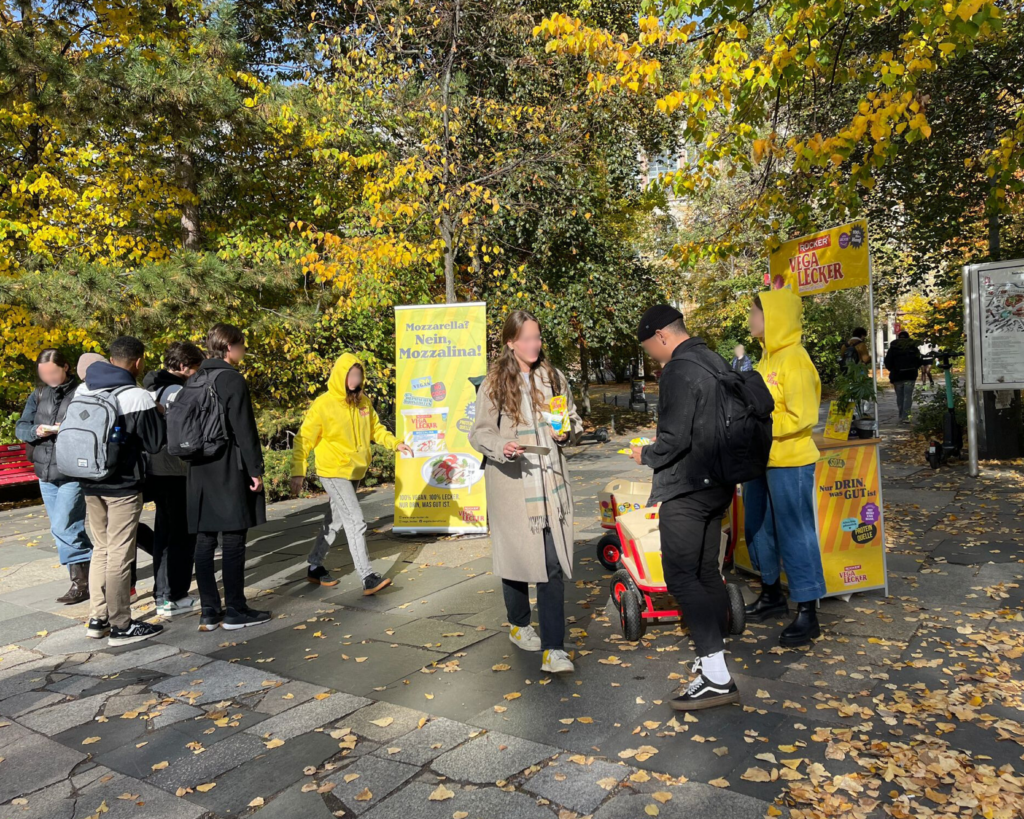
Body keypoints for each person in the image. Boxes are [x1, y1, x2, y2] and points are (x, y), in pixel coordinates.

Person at [629, 305, 739, 711]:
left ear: (661, 335)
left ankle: (715, 675)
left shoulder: (678, 369)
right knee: (707, 570)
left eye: (648, 348)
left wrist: (645, 454)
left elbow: (673, 438)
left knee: (679, 577)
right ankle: (716, 657)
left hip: (688, 488)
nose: (650, 356)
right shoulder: (712, 358)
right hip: (719, 484)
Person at [469, 310, 582, 675]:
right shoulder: (494, 384)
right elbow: (480, 433)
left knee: (551, 563)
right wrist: (504, 446)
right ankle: (519, 624)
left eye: (537, 337)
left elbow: (573, 419)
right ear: (511, 342)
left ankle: (554, 650)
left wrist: (568, 431)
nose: (535, 345)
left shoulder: (553, 377)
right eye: (527, 338)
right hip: (513, 488)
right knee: (517, 564)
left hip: (551, 485)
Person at [289, 353, 412, 593]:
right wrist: (298, 471)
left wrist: (395, 443)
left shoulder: (363, 402)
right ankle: (367, 577)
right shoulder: (324, 404)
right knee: (355, 520)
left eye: (358, 375)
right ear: (340, 375)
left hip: (355, 470)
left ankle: (314, 566)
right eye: (351, 375)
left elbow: (376, 429)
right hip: (333, 470)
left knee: (334, 519)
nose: (355, 379)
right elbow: (303, 440)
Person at [743, 291, 826, 647]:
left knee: (795, 532)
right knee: (759, 528)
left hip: (790, 461)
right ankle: (771, 593)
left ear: (773, 316)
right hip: (761, 459)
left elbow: (803, 415)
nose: (750, 318)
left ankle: (808, 611)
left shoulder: (795, 358)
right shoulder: (765, 360)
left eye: (754, 312)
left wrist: (760, 426)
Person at [76, 337, 167, 646]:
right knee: (119, 552)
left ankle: (97, 619)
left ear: (111, 359)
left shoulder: (84, 389)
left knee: (100, 549)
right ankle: (121, 625)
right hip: (123, 485)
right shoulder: (137, 396)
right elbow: (156, 444)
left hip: (89, 481)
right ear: (138, 362)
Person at [188, 323, 269, 632]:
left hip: (198, 469)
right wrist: (255, 471)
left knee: (205, 539)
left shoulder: (196, 378)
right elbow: (244, 430)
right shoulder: (231, 379)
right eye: (242, 345)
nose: (244, 350)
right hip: (228, 466)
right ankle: (236, 608)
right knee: (234, 537)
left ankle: (209, 609)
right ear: (230, 347)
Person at [15, 349, 94, 605]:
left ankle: (82, 583)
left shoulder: (82, 392)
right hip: (45, 471)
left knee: (64, 525)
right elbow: (21, 426)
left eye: (52, 372)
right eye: (43, 373)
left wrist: (66, 430)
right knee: (65, 527)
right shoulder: (38, 394)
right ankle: (89, 576)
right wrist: (36, 431)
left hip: (71, 469)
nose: (48, 377)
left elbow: (91, 426)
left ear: (66, 367)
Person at [141, 341, 205, 616]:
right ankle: (173, 595)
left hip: (154, 468)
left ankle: (162, 593)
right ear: (182, 366)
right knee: (180, 535)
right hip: (176, 469)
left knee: (164, 534)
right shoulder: (179, 391)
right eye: (195, 369)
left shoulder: (149, 387)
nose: (198, 374)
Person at [884, 331, 923, 424]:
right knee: (907, 396)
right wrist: (914, 368)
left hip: (897, 375)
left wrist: (893, 370)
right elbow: (919, 360)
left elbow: (887, 362)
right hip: (910, 375)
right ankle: (906, 417)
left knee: (900, 396)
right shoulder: (913, 347)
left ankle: (901, 415)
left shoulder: (893, 348)